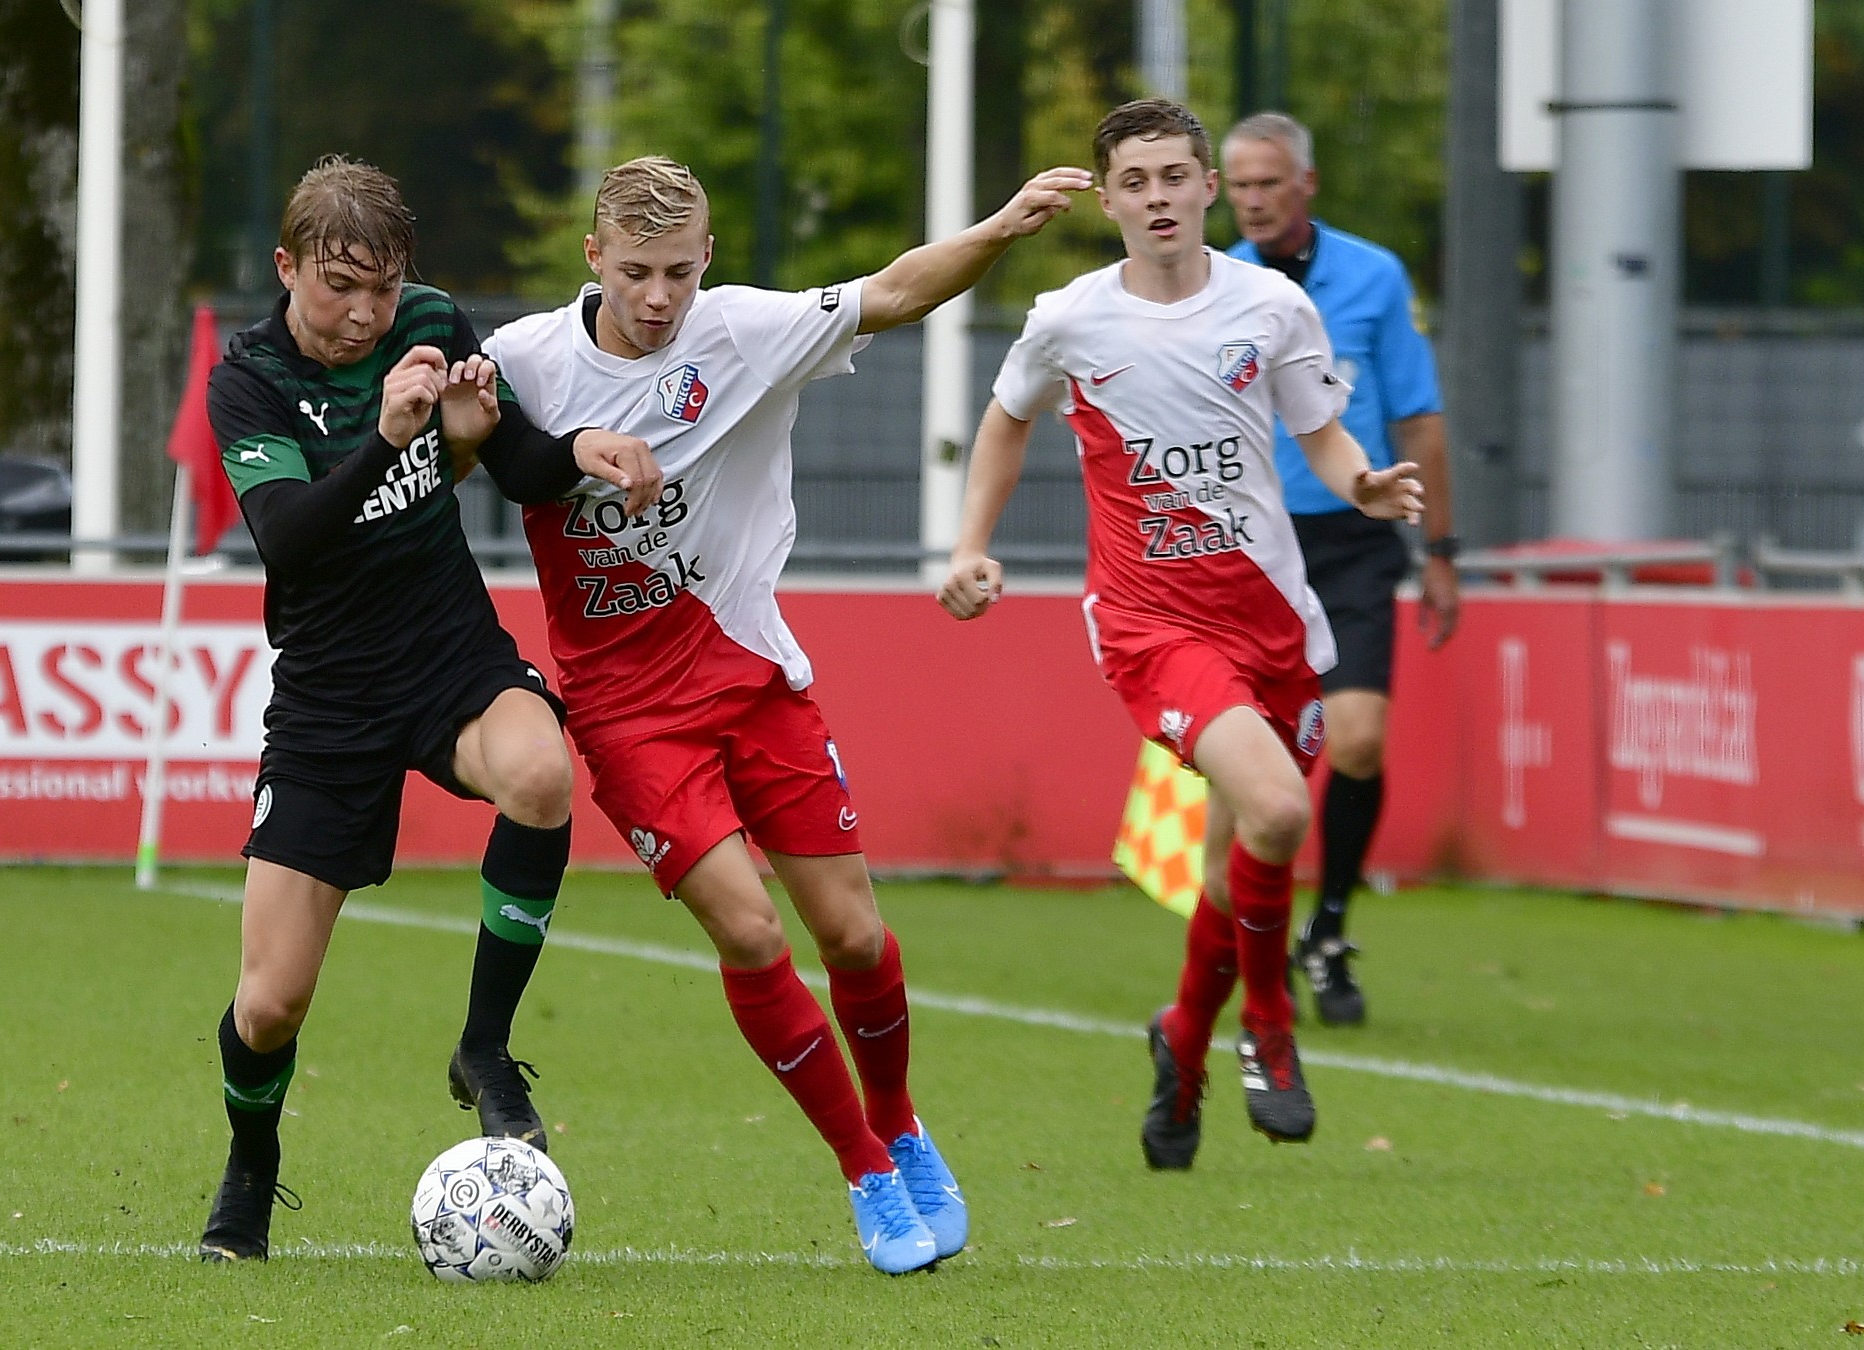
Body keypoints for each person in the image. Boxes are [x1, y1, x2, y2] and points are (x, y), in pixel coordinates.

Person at [477, 155, 1090, 1274]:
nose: (659, 296)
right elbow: (445, 426)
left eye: (679, 271)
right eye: (637, 272)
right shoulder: (524, 360)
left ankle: (900, 1125)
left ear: (706, 258)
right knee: (752, 932)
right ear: (594, 258)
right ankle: (864, 1171)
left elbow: (894, 290)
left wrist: (1002, 227)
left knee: (852, 935)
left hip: (756, 681)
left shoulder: (744, 331)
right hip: (627, 717)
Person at [939, 100, 1423, 1171]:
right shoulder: (1070, 318)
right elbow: (1007, 418)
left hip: (1275, 620)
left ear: (1210, 188)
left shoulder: (1273, 306)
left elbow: (1321, 433)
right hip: (1152, 624)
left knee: (1240, 866)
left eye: (1173, 176)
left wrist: (1363, 485)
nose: (1157, 196)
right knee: (1281, 809)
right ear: (1108, 202)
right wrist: (970, 545)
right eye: (1135, 181)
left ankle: (1184, 1042)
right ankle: (1271, 1028)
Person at [193, 156, 660, 1263]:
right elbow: (289, 539)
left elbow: (515, 461)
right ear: (287, 268)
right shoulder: (248, 380)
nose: (365, 314)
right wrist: (391, 439)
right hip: (330, 696)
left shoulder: (435, 322)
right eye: (339, 287)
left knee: (542, 773)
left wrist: (571, 452)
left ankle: (484, 1049)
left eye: (383, 288)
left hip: (450, 655)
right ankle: (252, 1162)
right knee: (269, 1007)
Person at [1221, 112, 1459, 1028]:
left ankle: (1327, 928)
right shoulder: (1214, 282)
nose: (1253, 200)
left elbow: (1419, 419)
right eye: (1239, 185)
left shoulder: (1374, 277)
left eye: (1268, 182)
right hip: (1251, 544)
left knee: (1356, 743)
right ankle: (1247, 939)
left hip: (1355, 538)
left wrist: (1441, 552)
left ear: (1306, 184)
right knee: (1256, 764)